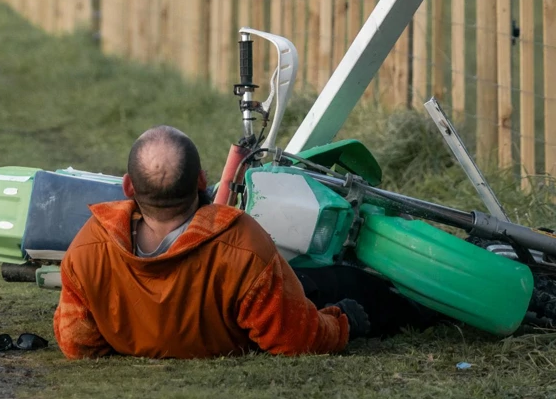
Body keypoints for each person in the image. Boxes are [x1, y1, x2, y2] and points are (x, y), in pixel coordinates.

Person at [54, 126, 365, 359]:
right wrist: (342, 322)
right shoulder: (242, 243)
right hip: (311, 301)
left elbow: (75, 341)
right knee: (348, 283)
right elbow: (295, 339)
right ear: (202, 180)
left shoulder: (87, 249)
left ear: (128, 186)